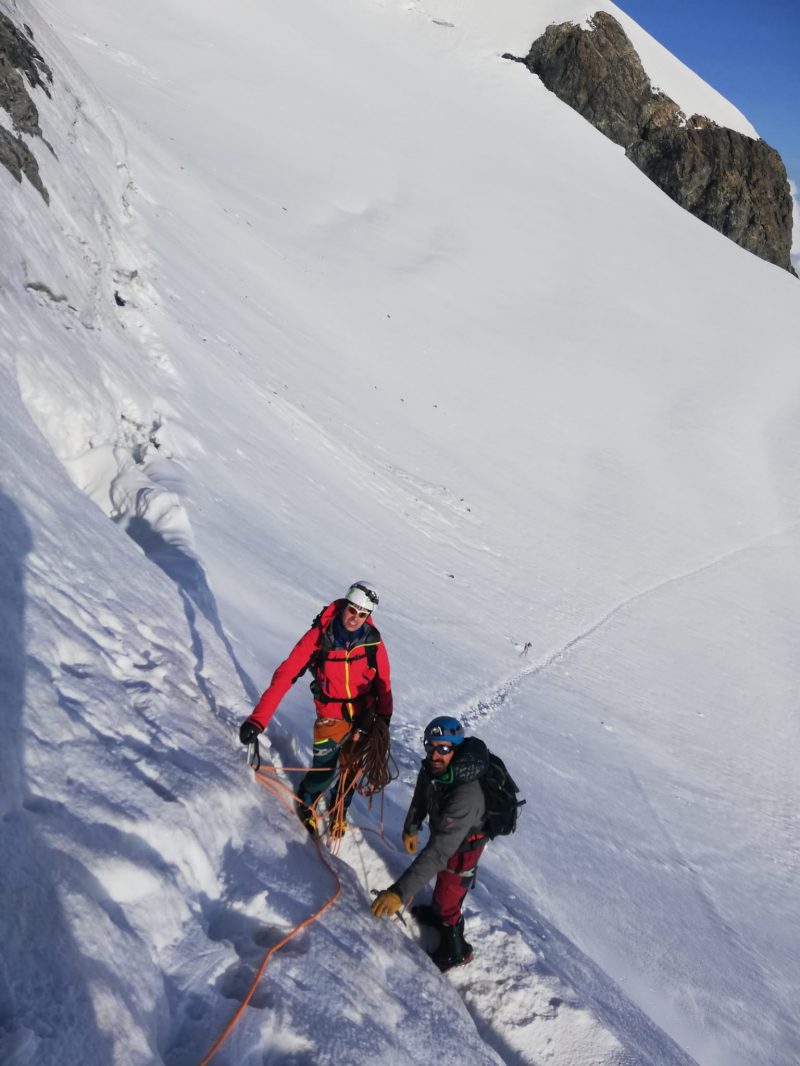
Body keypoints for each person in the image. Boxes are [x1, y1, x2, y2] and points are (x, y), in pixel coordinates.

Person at [239, 581, 392, 837]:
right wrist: (258, 719)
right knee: (325, 770)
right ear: (345, 605)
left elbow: (383, 683)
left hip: (364, 716)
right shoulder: (319, 637)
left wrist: (384, 720)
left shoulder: (372, 642)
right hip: (331, 716)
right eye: (352, 610)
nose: (355, 618)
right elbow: (285, 676)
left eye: (362, 614)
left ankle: (339, 808)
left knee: (352, 770)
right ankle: (307, 799)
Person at [370, 716, 489, 971]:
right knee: (442, 887)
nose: (435, 754)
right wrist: (411, 827)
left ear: (455, 749)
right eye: (430, 746)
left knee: (449, 898)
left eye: (443, 748)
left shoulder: (466, 795)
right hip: (445, 837)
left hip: (464, 849)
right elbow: (422, 796)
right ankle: (438, 916)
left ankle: (456, 951)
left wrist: (398, 893)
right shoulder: (433, 768)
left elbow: (437, 853)